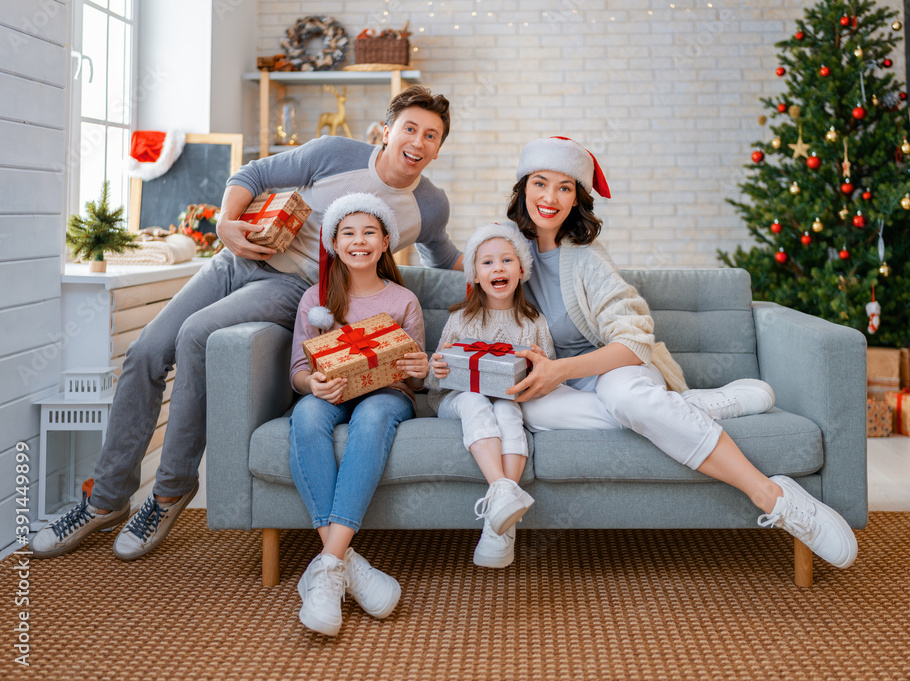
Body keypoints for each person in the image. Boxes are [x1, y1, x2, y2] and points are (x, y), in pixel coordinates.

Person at [29, 86, 461, 561]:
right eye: (410, 129)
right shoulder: (334, 153)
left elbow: (447, 259)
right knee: (147, 350)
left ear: (440, 148)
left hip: (291, 286)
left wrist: (510, 271)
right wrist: (227, 223)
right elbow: (253, 173)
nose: (418, 142)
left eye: (432, 135)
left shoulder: (430, 205)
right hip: (233, 260)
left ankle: (169, 492)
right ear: (387, 130)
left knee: (196, 335)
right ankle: (105, 500)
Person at [505, 136, 858, 570]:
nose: (550, 197)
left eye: (565, 187)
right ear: (523, 187)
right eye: (540, 183)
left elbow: (633, 342)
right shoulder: (506, 250)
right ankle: (683, 409)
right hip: (565, 384)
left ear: (577, 198)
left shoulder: (586, 259)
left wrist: (560, 370)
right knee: (533, 412)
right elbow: (466, 274)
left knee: (627, 399)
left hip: (616, 367)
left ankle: (774, 496)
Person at [289, 193, 429, 637]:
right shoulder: (316, 299)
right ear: (333, 243)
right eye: (348, 233)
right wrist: (312, 384)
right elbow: (297, 371)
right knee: (307, 416)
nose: (359, 241)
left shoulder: (404, 300)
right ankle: (345, 565)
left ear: (386, 241)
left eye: (369, 232)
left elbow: (418, 381)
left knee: (371, 418)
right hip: (332, 394)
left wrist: (419, 368)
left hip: (388, 394)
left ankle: (327, 566)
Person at [429, 223, 555, 568]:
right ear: (476, 274)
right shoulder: (461, 319)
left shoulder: (533, 323)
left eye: (506, 260)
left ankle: (500, 523)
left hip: (510, 397)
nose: (497, 268)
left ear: (521, 270)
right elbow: (434, 376)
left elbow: (550, 373)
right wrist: (436, 369)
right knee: (474, 399)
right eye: (487, 263)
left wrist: (537, 371)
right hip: (455, 399)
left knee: (507, 408)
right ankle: (502, 491)